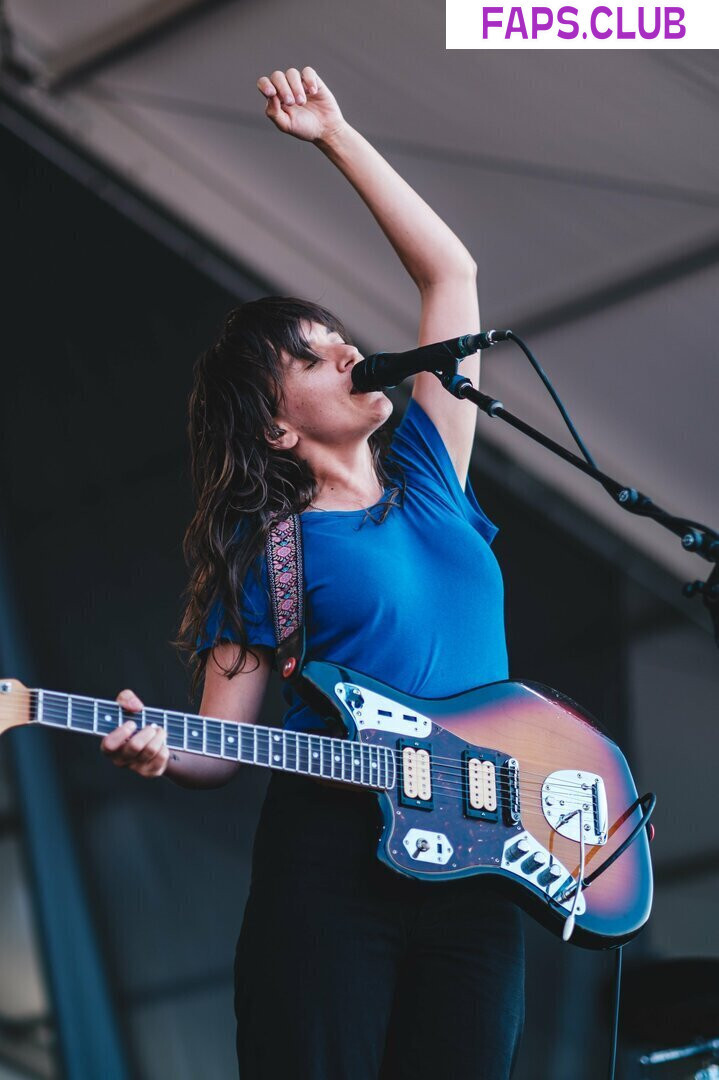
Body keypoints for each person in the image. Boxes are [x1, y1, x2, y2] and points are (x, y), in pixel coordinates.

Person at [101, 66, 525, 1079]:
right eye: (311, 354)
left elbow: (450, 278)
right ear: (279, 425)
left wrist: (336, 135)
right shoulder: (270, 556)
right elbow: (222, 743)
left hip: (479, 871)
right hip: (336, 870)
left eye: (337, 333)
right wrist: (157, 748)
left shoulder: (428, 471)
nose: (345, 349)